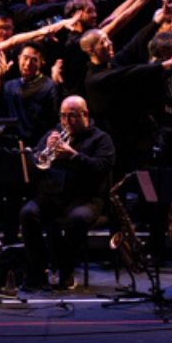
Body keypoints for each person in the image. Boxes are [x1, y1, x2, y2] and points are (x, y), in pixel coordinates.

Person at [18, 95, 115, 291]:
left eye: (71, 116)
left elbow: (102, 167)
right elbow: (35, 164)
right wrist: (45, 148)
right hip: (53, 196)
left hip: (86, 198)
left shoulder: (101, 139)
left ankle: (66, 270)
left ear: (85, 114)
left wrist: (74, 156)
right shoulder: (52, 134)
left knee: (76, 219)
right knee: (27, 213)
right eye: (62, 116)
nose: (65, 122)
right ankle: (38, 270)